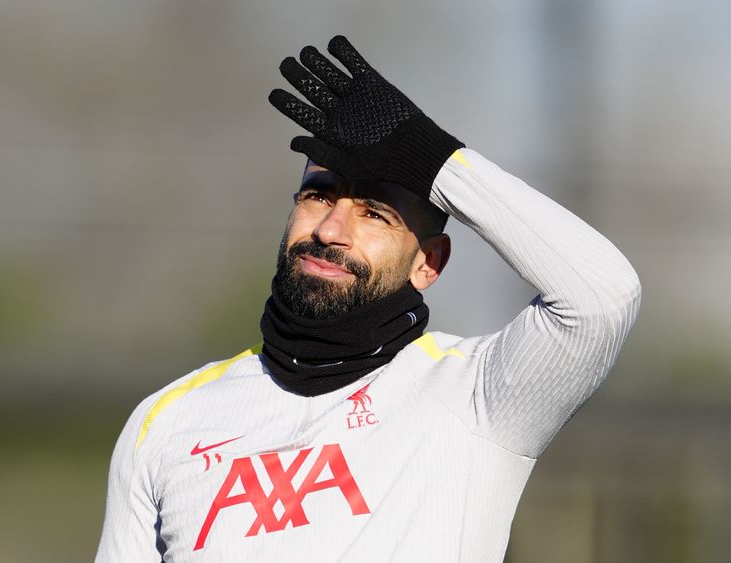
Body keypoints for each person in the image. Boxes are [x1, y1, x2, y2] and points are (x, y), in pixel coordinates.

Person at [95, 35, 641, 563]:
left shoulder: (478, 396)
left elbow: (602, 296)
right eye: (318, 196)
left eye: (375, 213)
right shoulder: (167, 421)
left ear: (430, 263)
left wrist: (433, 160)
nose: (331, 229)